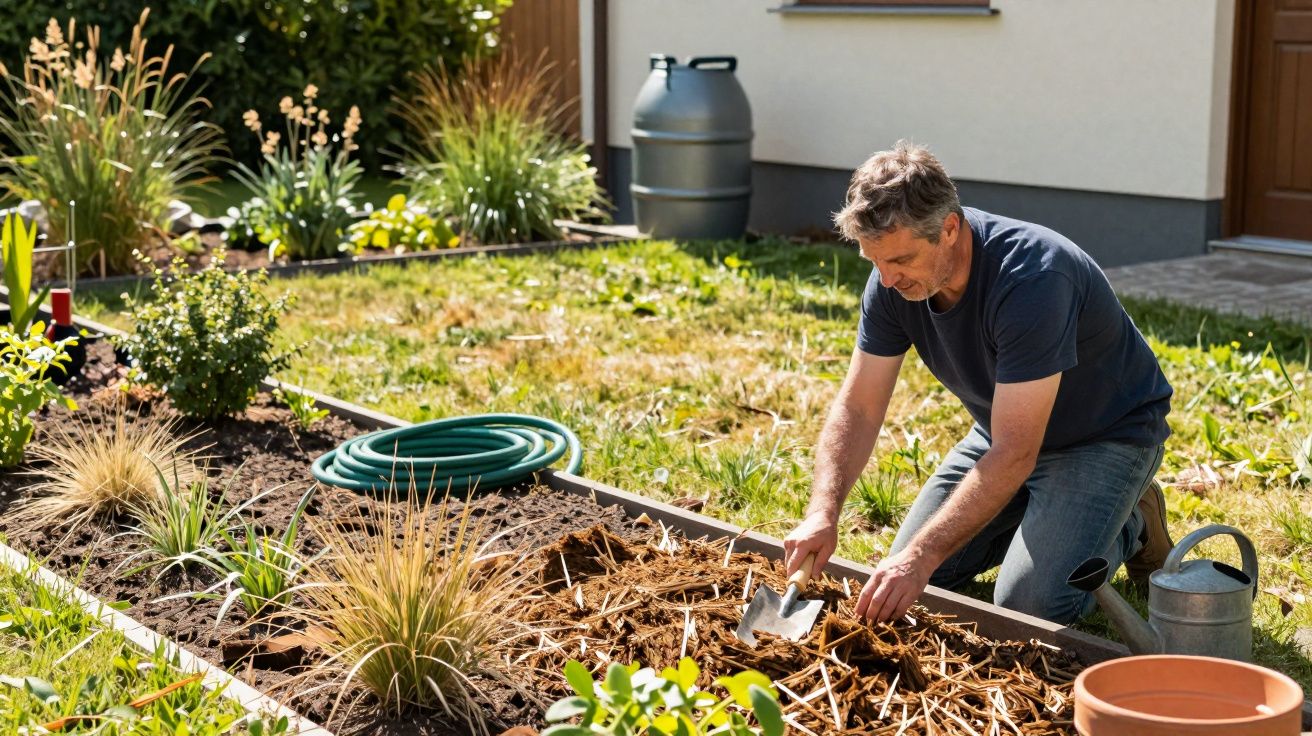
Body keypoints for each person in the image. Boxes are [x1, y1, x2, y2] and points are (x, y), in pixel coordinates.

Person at [782, 142, 1173, 625]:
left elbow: (1015, 452)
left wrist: (921, 555)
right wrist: (823, 511)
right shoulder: (892, 281)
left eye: (899, 260)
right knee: (919, 583)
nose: (885, 279)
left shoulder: (1034, 278)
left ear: (949, 228)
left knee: (1028, 609)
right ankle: (1048, 519)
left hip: (1102, 439)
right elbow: (859, 407)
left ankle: (1130, 521)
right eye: (873, 261)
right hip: (1002, 433)